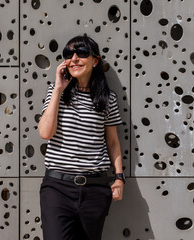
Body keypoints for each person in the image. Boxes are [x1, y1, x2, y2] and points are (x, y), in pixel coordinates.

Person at [38, 34, 125, 240]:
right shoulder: (55, 92)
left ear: (95, 60)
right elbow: (45, 132)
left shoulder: (107, 98)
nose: (74, 58)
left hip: (95, 189)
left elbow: (112, 141)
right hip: (57, 188)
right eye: (69, 54)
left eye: (82, 53)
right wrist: (59, 88)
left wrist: (119, 178)